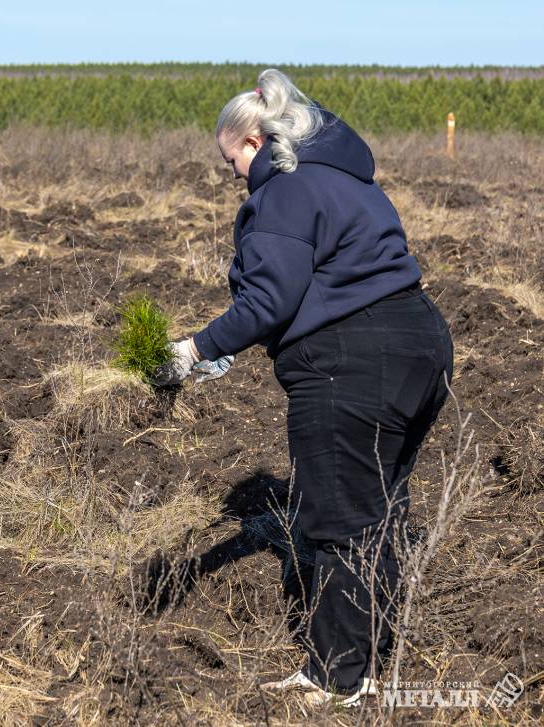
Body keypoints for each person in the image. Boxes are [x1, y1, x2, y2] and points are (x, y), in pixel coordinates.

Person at [154, 69, 453, 705]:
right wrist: (228, 353)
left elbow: (269, 299)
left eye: (231, 160)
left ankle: (338, 679)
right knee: (379, 509)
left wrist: (193, 351)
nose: (234, 175)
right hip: (419, 345)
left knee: (339, 518)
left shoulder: (285, 191)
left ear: (255, 142)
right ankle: (372, 659)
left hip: (350, 361)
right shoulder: (348, 178)